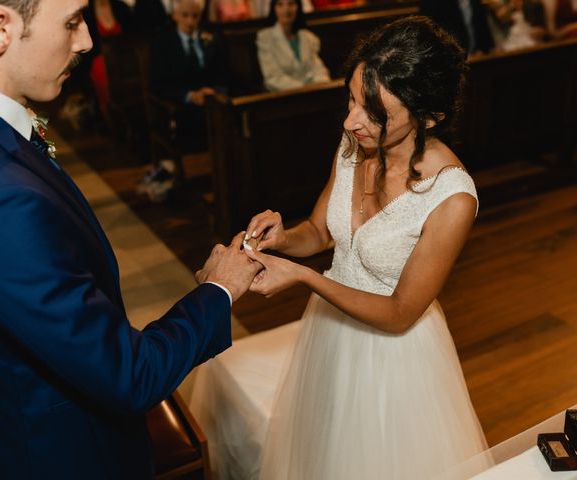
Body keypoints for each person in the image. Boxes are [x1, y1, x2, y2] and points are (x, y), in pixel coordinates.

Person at [0, 0, 261, 478]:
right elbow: (128, 376)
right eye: (71, 21)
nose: (87, 39)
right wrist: (220, 289)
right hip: (70, 455)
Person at [191, 16, 488, 479]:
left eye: (374, 112)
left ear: (429, 117)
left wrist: (306, 276)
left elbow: (400, 312)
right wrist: (285, 238)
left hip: (396, 359)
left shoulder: (452, 198)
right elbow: (322, 230)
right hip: (330, 332)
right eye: (351, 98)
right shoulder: (354, 143)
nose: (351, 120)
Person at [142, 0, 229, 200]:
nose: (191, 21)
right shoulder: (163, 44)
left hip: (211, 101)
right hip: (181, 108)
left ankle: (227, 178)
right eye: (185, 16)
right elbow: (158, 84)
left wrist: (214, 91)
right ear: (175, 16)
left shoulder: (210, 39)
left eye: (195, 16)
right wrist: (189, 96)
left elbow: (223, 73)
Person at [256, 0, 330, 92]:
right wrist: (304, 87)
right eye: (280, 4)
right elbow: (273, 78)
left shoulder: (307, 37)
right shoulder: (265, 38)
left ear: (298, 6)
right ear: (273, 8)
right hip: (283, 97)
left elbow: (318, 69)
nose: (286, 9)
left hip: (313, 93)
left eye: (291, 4)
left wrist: (322, 82)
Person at [421, 0, 495, 55]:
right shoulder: (432, 2)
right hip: (449, 59)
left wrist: (484, 50)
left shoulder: (474, 2)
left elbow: (483, 29)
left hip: (477, 58)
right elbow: (430, 33)